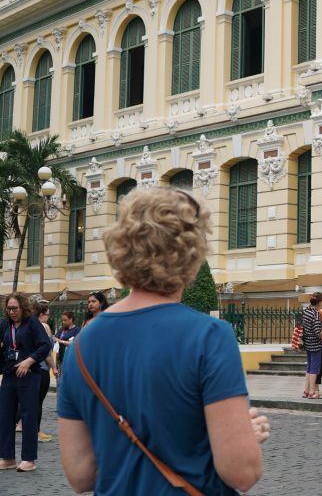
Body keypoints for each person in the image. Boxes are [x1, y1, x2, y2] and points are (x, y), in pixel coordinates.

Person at [57, 187, 269, 494]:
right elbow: (242, 473)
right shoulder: (209, 337)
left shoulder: (81, 347)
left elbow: (80, 476)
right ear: (192, 252)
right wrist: (240, 436)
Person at [0, 292, 51, 472]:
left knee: (28, 417)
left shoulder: (32, 324)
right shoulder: (5, 324)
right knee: (5, 416)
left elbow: (46, 345)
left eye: (15, 308)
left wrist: (30, 360)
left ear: (23, 307)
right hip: (9, 374)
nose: (12, 312)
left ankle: (29, 460)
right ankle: (7, 457)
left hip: (29, 375)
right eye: (9, 309)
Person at [33, 302, 58, 443]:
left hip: (31, 368)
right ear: (41, 314)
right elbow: (47, 351)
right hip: (41, 369)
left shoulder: (27, 326)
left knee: (29, 402)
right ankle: (36, 431)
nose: (48, 317)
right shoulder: (44, 327)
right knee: (38, 403)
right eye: (47, 314)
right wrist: (54, 367)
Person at [301, 296, 322, 399]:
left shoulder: (306, 311)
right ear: (319, 302)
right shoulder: (315, 313)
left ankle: (306, 391)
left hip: (308, 342)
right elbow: (317, 331)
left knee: (309, 368)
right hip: (315, 344)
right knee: (314, 369)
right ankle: (312, 392)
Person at [54, 311, 80, 384]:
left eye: (65, 320)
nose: (63, 322)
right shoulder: (62, 329)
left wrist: (61, 341)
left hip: (70, 359)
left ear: (71, 319)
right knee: (59, 381)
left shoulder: (76, 330)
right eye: (62, 320)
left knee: (68, 381)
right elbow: (55, 338)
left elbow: (74, 343)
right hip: (60, 359)